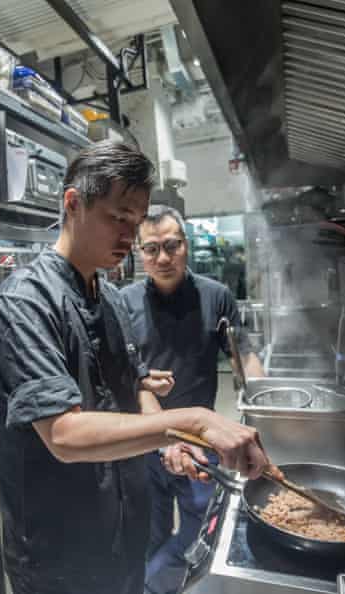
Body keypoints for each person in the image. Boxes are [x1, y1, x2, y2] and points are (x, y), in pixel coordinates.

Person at [0, 141, 275, 594]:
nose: (127, 235)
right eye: (117, 217)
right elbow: (64, 434)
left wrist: (171, 443)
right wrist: (193, 420)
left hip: (124, 528)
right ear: (74, 203)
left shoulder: (112, 299)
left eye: (134, 221)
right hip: (62, 550)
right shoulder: (26, 303)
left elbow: (135, 390)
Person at [121, 204, 266, 594]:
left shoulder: (216, 296)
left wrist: (262, 406)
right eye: (151, 249)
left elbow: (244, 355)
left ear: (186, 246)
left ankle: (164, 586)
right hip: (143, 444)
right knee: (147, 532)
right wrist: (167, 438)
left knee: (199, 532)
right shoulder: (124, 303)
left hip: (202, 449)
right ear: (139, 253)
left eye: (172, 245)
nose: (163, 257)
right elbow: (132, 382)